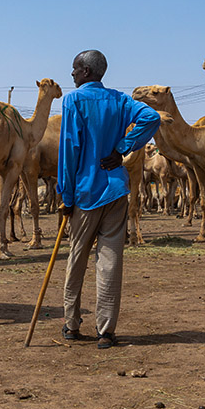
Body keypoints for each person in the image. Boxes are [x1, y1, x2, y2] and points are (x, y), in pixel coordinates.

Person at [58, 50, 160, 349]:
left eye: (76, 69)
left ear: (87, 71)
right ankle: (105, 331)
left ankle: (72, 323)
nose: (72, 74)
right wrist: (123, 148)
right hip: (115, 189)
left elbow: (69, 150)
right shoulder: (119, 100)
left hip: (85, 193)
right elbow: (151, 117)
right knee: (111, 261)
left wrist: (65, 196)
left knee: (77, 258)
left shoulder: (73, 101)